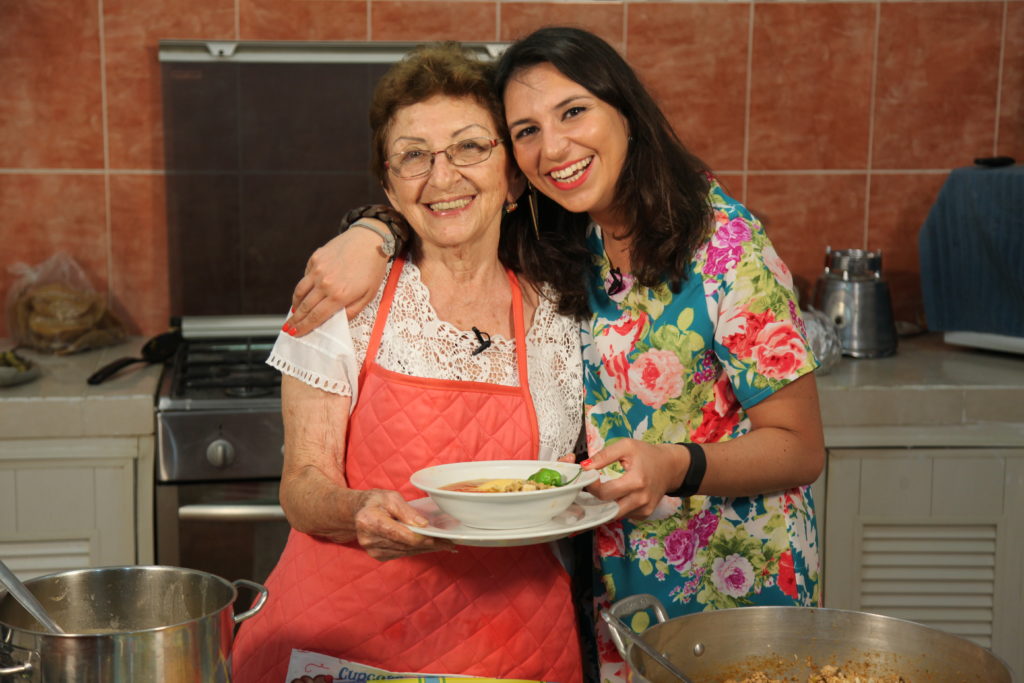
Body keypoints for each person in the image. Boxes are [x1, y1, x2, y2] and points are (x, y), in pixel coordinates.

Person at [285, 27, 826, 683]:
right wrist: (373, 229)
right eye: (527, 130)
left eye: (573, 112)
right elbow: (444, 194)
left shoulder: (726, 246)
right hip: (611, 586)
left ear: (623, 108)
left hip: (732, 576)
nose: (555, 148)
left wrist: (671, 464)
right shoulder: (571, 238)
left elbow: (801, 447)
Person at [231, 42, 587, 683]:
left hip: (518, 646)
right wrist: (358, 508)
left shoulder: (563, 315)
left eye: (470, 148)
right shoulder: (345, 294)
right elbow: (302, 487)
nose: (442, 176)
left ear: (512, 177)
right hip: (346, 641)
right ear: (391, 186)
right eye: (413, 156)